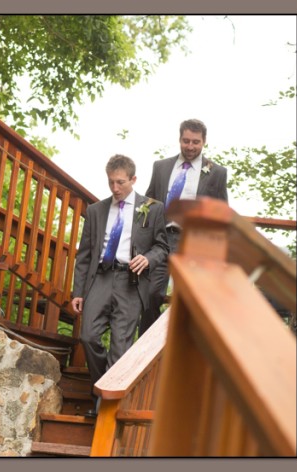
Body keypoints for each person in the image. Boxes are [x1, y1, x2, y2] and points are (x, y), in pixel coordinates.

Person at [71, 155, 169, 416]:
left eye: (121, 182)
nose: (115, 188)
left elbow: (162, 247)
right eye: (111, 182)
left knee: (121, 346)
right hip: (100, 278)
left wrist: (147, 259)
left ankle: (104, 405)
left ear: (133, 180)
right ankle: (102, 384)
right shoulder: (95, 210)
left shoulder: (153, 208)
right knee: (88, 336)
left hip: (130, 282)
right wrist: (78, 292)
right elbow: (84, 255)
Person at [139, 119, 229, 335]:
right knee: (150, 294)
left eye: (195, 142)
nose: (190, 146)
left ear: (204, 142)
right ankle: (143, 351)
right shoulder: (160, 167)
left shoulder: (216, 172)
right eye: (186, 141)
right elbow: (148, 202)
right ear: (179, 139)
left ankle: (173, 350)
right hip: (160, 240)